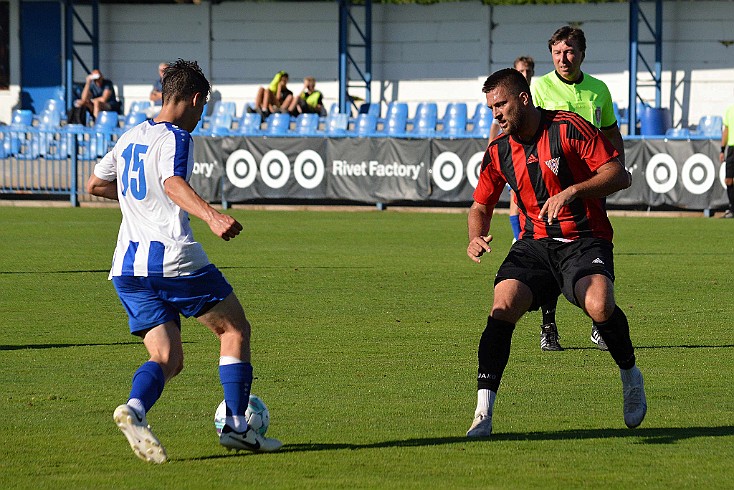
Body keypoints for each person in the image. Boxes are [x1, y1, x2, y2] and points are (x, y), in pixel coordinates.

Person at [86, 59, 282, 463]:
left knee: (167, 358)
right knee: (234, 329)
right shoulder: (176, 137)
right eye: (202, 106)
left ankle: (134, 410)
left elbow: (95, 184)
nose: (200, 115)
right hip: (173, 261)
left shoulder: (129, 137)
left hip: (127, 268)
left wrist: (136, 199)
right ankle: (237, 428)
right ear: (195, 99)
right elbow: (172, 182)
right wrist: (212, 216)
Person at [464, 68, 645, 438]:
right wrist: (475, 236)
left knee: (598, 306)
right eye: (491, 108)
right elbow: (480, 205)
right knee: (501, 307)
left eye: (501, 104)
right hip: (534, 244)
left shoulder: (568, 127)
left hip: (585, 238)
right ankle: (483, 413)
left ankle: (630, 375)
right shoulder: (499, 150)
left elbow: (620, 175)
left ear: (523, 99)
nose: (496, 114)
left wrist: (575, 190)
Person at [529, 26, 627, 352]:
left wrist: (617, 169)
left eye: (569, 51)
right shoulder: (540, 87)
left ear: (582, 53)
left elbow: (612, 132)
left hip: (591, 186)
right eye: (557, 52)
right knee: (551, 253)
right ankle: (548, 325)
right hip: (552, 185)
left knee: (598, 248)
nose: (563, 58)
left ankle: (600, 324)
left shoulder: (599, 89)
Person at [490, 56, 535, 247]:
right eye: (521, 71)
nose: (525, 74)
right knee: (516, 198)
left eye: (528, 71)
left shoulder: (537, 93)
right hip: (514, 153)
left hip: (534, 150)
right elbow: (494, 126)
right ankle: (519, 237)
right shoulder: (507, 97)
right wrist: (493, 153)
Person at [720, 102, 734, 218]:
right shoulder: (730, 110)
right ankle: (732, 209)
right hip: (732, 148)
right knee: (728, 180)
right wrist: (722, 149)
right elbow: (726, 130)